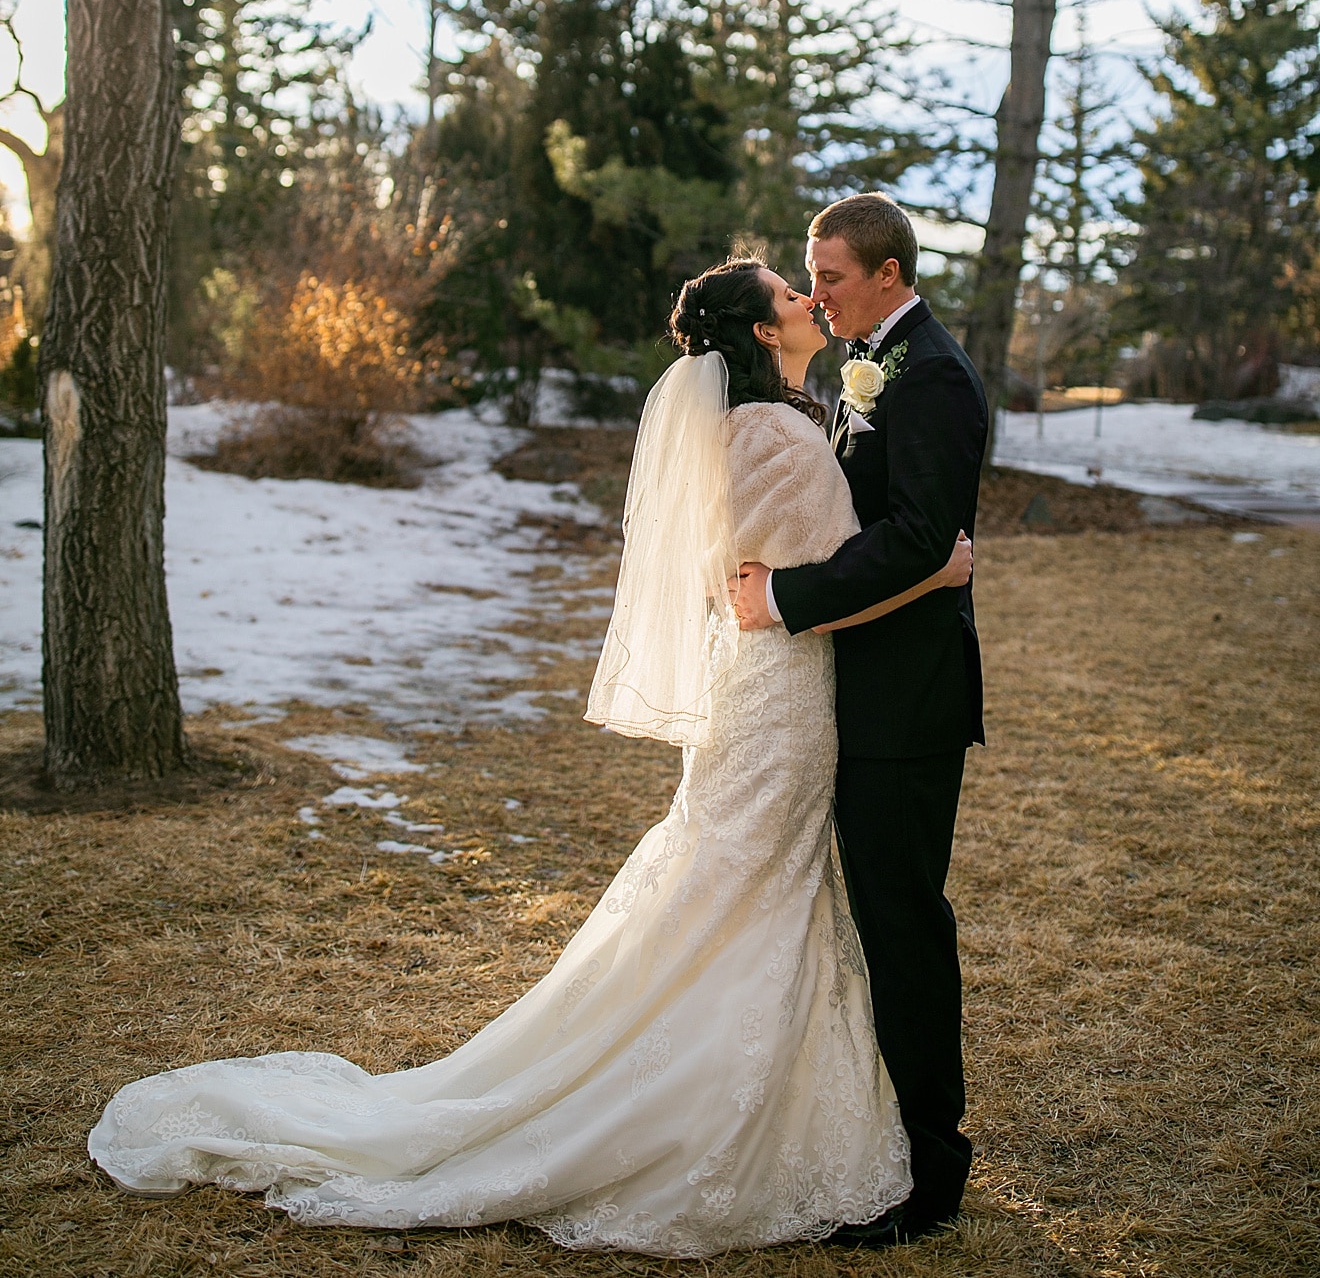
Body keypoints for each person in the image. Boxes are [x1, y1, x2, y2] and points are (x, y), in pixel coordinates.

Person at [88, 257, 971, 1257]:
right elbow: (834, 579)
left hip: (752, 694)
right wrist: (937, 565)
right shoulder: (776, 433)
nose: (808, 296)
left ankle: (719, 1085)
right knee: (752, 890)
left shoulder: (728, 433)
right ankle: (700, 1114)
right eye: (787, 289)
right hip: (784, 703)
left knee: (733, 887)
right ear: (766, 334)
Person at [735, 194, 988, 1247]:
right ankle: (876, 1137)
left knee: (902, 926)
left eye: (830, 275)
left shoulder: (929, 376)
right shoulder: (863, 366)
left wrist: (787, 602)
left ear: (888, 274)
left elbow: (924, 538)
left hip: (907, 706)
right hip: (854, 692)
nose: (818, 291)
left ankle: (932, 1170)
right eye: (810, 275)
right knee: (874, 922)